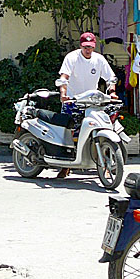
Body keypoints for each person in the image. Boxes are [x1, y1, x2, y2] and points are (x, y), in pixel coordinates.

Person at [56, 32, 118, 178]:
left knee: (104, 128)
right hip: (73, 100)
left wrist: (112, 91)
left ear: (94, 46)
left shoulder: (99, 59)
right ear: (80, 46)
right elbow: (64, 77)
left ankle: (106, 163)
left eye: (90, 47)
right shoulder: (72, 58)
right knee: (68, 132)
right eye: (85, 47)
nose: (88, 50)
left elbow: (111, 78)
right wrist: (63, 93)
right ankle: (65, 166)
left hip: (92, 101)